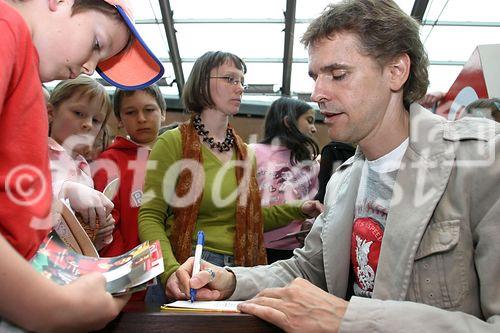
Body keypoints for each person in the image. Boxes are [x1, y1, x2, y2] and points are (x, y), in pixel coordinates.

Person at [166, 1, 500, 332]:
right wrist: (229, 279)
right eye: (315, 76)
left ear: (396, 71)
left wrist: (349, 320)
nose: (318, 93)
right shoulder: (343, 181)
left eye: (338, 75)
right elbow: (309, 269)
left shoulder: (482, 163)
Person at [0, 0, 163, 331]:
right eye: (97, 44)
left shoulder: (23, 66)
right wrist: (52, 307)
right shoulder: (7, 29)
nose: (90, 67)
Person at [138, 51, 323, 304]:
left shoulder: (246, 153)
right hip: (186, 267)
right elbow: (150, 216)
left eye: (241, 82)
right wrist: (169, 271)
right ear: (203, 82)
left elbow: (252, 218)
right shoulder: (173, 142)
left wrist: (299, 209)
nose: (239, 88)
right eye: (230, 79)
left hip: (237, 274)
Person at [93, 83, 166, 258]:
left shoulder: (178, 156)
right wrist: (126, 276)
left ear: (163, 112)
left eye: (149, 110)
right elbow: (108, 227)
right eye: (131, 112)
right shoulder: (108, 162)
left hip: (177, 268)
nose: (141, 119)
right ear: (119, 119)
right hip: (132, 274)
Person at [48, 76, 116, 251]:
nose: (87, 124)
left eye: (96, 121)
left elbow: (78, 246)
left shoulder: (84, 169)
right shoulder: (35, 152)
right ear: (50, 113)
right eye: (78, 113)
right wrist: (67, 190)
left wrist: (96, 230)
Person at [250, 97, 320, 263]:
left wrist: (310, 224)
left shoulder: (308, 163)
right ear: (288, 122)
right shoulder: (253, 152)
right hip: (259, 246)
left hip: (296, 251)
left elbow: (312, 200)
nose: (314, 129)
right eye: (309, 121)